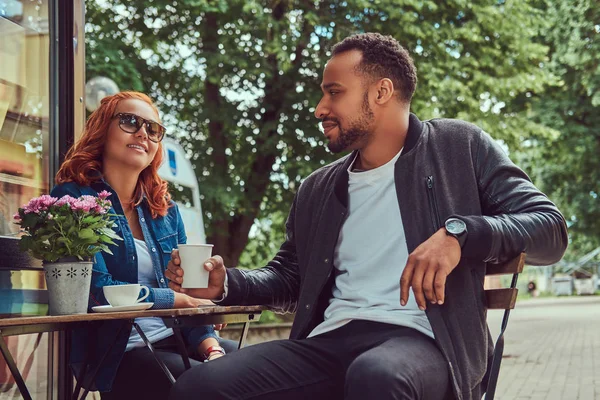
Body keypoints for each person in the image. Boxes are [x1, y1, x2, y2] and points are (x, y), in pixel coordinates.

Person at [166, 33, 568, 400]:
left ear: (382, 91)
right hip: (329, 340)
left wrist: (459, 235)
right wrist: (225, 283)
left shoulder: (458, 146)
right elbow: (291, 278)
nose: (320, 108)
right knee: (198, 387)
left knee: (375, 376)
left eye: (334, 92)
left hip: (428, 342)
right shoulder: (317, 188)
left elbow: (549, 228)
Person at [50, 91, 234, 399]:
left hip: (176, 339)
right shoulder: (73, 198)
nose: (142, 133)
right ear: (102, 129)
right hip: (116, 353)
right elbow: (97, 288)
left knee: (249, 368)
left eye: (152, 129)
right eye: (129, 121)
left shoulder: (165, 210)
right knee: (207, 386)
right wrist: (178, 300)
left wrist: (210, 346)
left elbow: (188, 293)